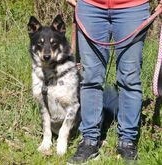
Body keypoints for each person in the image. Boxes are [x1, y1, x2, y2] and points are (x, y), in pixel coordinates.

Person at [65, 0, 162, 164]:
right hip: (90, 8)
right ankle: (89, 140)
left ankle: (128, 140)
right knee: (90, 78)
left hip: (132, 8)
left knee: (130, 79)